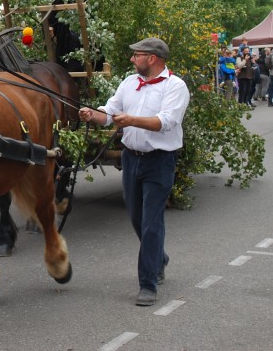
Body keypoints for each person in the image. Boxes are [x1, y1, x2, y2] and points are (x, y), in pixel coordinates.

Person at [78, 37, 190, 307]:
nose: (132, 59)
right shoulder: (129, 83)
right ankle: (158, 257)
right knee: (137, 218)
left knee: (152, 221)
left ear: (152, 58)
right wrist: (94, 115)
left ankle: (148, 283)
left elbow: (166, 122)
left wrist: (131, 120)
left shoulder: (175, 86)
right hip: (131, 159)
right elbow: (110, 111)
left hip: (160, 161)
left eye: (136, 55)